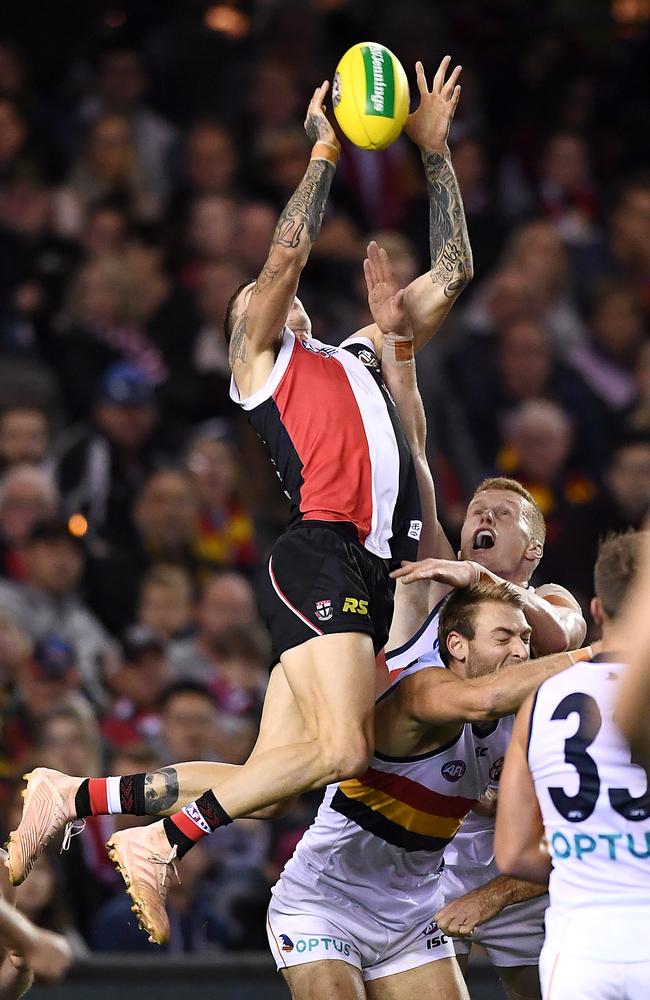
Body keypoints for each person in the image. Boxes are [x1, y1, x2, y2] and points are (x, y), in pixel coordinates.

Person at [8, 56, 474, 945]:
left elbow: (452, 268)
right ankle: (159, 841)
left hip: (375, 573)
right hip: (323, 552)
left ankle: (74, 796)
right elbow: (288, 254)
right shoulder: (265, 370)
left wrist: (437, 153)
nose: (268, 300)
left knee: (274, 778)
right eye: (252, 301)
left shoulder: (364, 352)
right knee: (341, 755)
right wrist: (325, 153)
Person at [495, 532, 650, 1000]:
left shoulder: (541, 701)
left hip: (578, 949)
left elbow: (514, 854)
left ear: (599, 610)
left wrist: (589, 857)